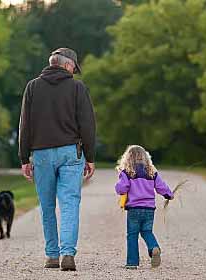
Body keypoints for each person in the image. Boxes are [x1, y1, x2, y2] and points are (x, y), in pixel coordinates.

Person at [18, 47, 96, 271]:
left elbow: (25, 125)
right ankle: (67, 254)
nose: (74, 71)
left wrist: (24, 157)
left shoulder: (32, 87)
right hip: (71, 152)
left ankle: (52, 255)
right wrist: (90, 156)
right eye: (74, 67)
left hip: (41, 154)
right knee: (70, 203)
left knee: (47, 205)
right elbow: (87, 124)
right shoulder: (77, 88)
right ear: (67, 65)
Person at [113, 145, 173, 269]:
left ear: (127, 159)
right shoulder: (151, 172)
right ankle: (153, 247)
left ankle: (132, 262)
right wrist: (169, 194)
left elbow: (121, 188)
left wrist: (119, 186)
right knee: (147, 231)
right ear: (145, 158)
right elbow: (161, 187)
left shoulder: (127, 173)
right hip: (149, 209)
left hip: (134, 209)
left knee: (132, 235)